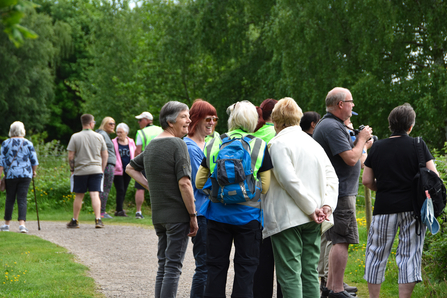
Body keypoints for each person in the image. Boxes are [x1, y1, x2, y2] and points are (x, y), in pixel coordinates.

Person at [195, 100, 273, 298]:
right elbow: (264, 186)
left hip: (217, 217)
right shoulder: (259, 145)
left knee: (215, 268)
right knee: (246, 270)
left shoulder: (213, 142)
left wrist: (219, 193)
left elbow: (199, 182)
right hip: (249, 218)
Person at [263, 97, 338, 298]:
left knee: (290, 275)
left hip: (289, 217)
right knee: (310, 272)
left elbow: (288, 180)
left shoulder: (276, 144)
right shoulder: (314, 144)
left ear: (275, 122)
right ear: (298, 118)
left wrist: (311, 207)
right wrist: (327, 206)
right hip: (315, 217)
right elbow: (332, 178)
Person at [362, 103, 437, 298]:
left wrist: (384, 189)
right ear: (410, 126)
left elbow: (367, 180)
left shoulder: (377, 147)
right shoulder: (418, 145)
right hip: (412, 209)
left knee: (376, 254)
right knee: (409, 256)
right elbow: (434, 177)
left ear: (390, 125)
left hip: (384, 207)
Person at [126, 101, 198, 298]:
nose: (189, 120)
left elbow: (130, 168)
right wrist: (193, 215)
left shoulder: (152, 145)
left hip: (159, 216)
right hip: (177, 215)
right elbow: (185, 183)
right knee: (173, 267)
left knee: (163, 265)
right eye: (184, 116)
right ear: (170, 121)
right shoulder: (178, 144)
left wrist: (151, 186)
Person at [313, 87, 372, 298]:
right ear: (340, 104)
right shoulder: (332, 127)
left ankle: (330, 287)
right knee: (342, 240)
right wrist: (363, 138)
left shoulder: (332, 125)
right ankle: (337, 289)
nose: (353, 105)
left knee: (337, 238)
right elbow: (351, 158)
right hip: (340, 193)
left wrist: (360, 140)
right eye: (351, 101)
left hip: (337, 191)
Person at [184, 99, 218, 298]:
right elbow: (202, 183)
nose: (212, 122)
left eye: (214, 119)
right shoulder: (189, 147)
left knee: (211, 264)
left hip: (211, 211)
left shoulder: (210, 143)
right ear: (195, 120)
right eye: (208, 118)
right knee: (204, 265)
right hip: (201, 213)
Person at [252, 98, 282, 298]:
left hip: (255, 206)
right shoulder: (279, 135)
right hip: (278, 205)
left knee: (260, 262)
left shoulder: (253, 135)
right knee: (283, 261)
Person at [66, 114, 108, 229]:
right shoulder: (99, 137)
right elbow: (105, 154)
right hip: (96, 169)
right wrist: (102, 168)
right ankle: (98, 219)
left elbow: (70, 156)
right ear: (91, 123)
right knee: (95, 194)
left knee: (79, 195)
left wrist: (72, 169)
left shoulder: (75, 137)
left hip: (80, 170)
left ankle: (75, 220)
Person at [0, 121, 39, 233]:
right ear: (23, 130)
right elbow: (34, 161)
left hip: (11, 175)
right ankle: (22, 225)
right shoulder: (28, 143)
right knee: (22, 199)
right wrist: (34, 172)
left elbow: (1, 163)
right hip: (26, 174)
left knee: (10, 199)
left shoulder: (5, 143)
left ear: (11, 131)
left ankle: (6, 225)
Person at [134, 111, 163, 219]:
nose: (139, 122)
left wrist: (134, 165)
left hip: (145, 162)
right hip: (160, 162)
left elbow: (138, 151)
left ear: (147, 120)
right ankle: (160, 210)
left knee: (140, 187)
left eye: (140, 120)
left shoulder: (141, 133)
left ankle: (138, 212)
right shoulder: (161, 130)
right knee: (160, 187)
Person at [112, 123, 136, 217]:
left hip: (128, 169)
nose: (118, 134)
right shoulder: (113, 142)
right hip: (117, 169)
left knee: (124, 189)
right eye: (117, 132)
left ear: (126, 132)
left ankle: (119, 209)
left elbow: (133, 153)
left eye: (121, 132)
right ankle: (119, 210)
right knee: (120, 189)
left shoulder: (131, 141)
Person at [96, 117, 116, 219]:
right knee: (105, 188)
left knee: (104, 188)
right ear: (104, 124)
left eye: (114, 124)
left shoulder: (104, 135)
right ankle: (102, 212)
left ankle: (100, 211)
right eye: (110, 124)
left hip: (108, 164)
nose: (113, 125)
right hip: (106, 165)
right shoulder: (102, 135)